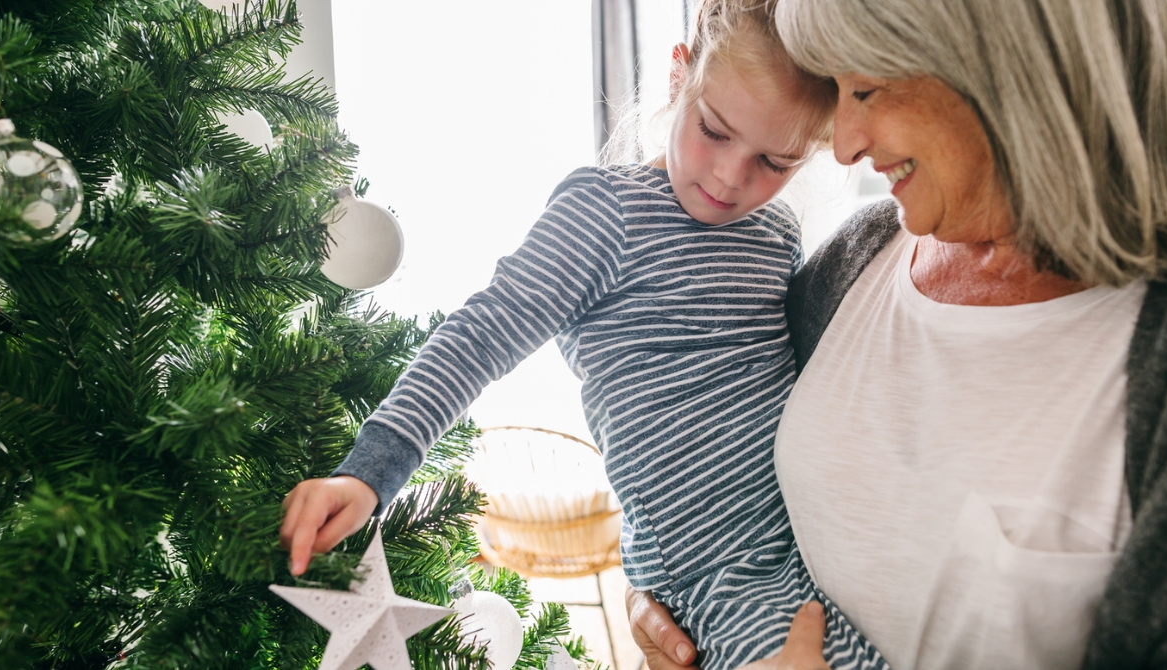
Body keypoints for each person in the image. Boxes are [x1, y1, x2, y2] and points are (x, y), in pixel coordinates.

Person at [627, 0, 1167, 669]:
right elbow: (717, 469)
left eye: (865, 88)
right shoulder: (851, 263)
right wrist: (669, 599)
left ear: (1007, 64)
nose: (842, 145)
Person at [279, 2, 890, 669]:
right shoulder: (607, 212)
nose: (729, 177)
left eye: (775, 162)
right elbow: (482, 333)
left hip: (812, 541)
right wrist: (370, 473)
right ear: (678, 77)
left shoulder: (776, 234)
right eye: (713, 131)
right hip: (711, 572)